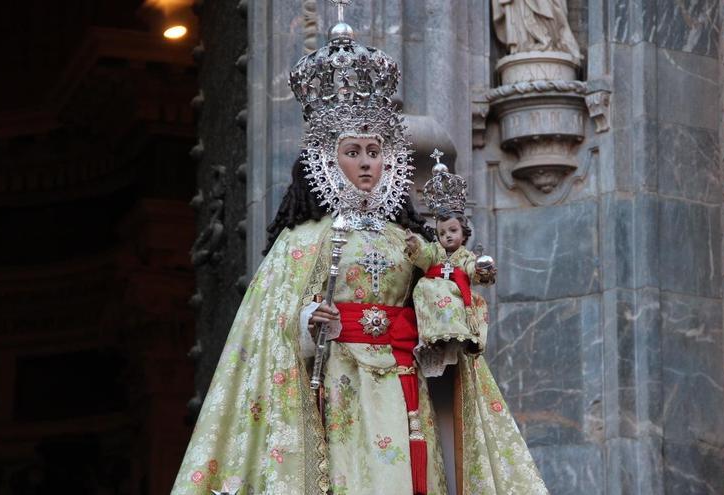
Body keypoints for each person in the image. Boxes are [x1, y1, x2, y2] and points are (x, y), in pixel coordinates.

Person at [170, 4, 547, 495]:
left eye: (374, 152)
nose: (367, 163)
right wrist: (309, 323)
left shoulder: (406, 240)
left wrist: (446, 308)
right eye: (353, 152)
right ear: (328, 159)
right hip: (337, 388)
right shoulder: (301, 242)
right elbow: (271, 325)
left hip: (402, 384)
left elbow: (439, 297)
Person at [405, 152, 495, 378]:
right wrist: (415, 245)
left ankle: (456, 336)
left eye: (452, 231)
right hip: (433, 292)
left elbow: (473, 270)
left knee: (466, 301)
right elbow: (425, 256)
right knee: (426, 287)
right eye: (442, 232)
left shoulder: (465, 256)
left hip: (456, 295)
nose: (447, 237)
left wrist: (482, 269)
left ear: (464, 233)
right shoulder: (435, 250)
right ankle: (434, 337)